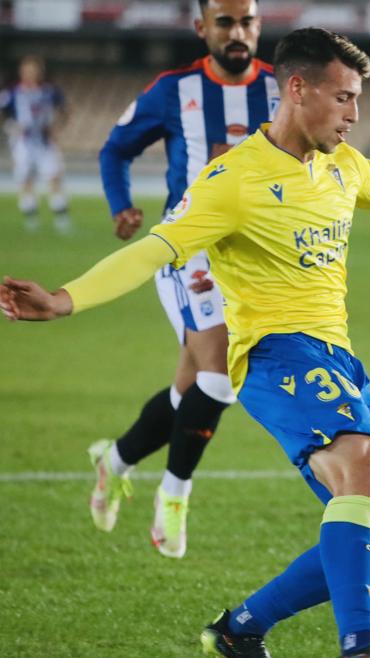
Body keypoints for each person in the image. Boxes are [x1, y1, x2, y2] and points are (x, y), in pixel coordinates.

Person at [0, 27, 370, 658]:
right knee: (363, 468)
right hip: (272, 355)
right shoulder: (233, 181)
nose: (354, 115)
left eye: (358, 100)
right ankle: (357, 648)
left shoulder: (342, 164)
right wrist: (66, 299)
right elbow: (156, 249)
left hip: (338, 358)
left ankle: (238, 628)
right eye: (344, 98)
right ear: (296, 90)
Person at [91, 0, 279, 558]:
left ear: (259, 26)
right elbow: (115, 148)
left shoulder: (282, 89)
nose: (237, 32)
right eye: (225, 22)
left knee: (188, 391)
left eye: (246, 21)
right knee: (221, 374)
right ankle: (174, 496)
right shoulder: (173, 91)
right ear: (202, 29)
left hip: (251, 256)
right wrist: (122, 204)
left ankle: (115, 460)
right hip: (186, 248)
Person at [0, 55, 69, 232]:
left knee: (54, 177)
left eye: (34, 70)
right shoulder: (12, 92)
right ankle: (32, 220)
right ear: (21, 71)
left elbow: (65, 111)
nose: (30, 73)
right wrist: (10, 126)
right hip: (23, 142)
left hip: (45, 141)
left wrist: (56, 127)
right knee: (25, 179)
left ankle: (61, 220)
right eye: (27, 70)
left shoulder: (50, 91)